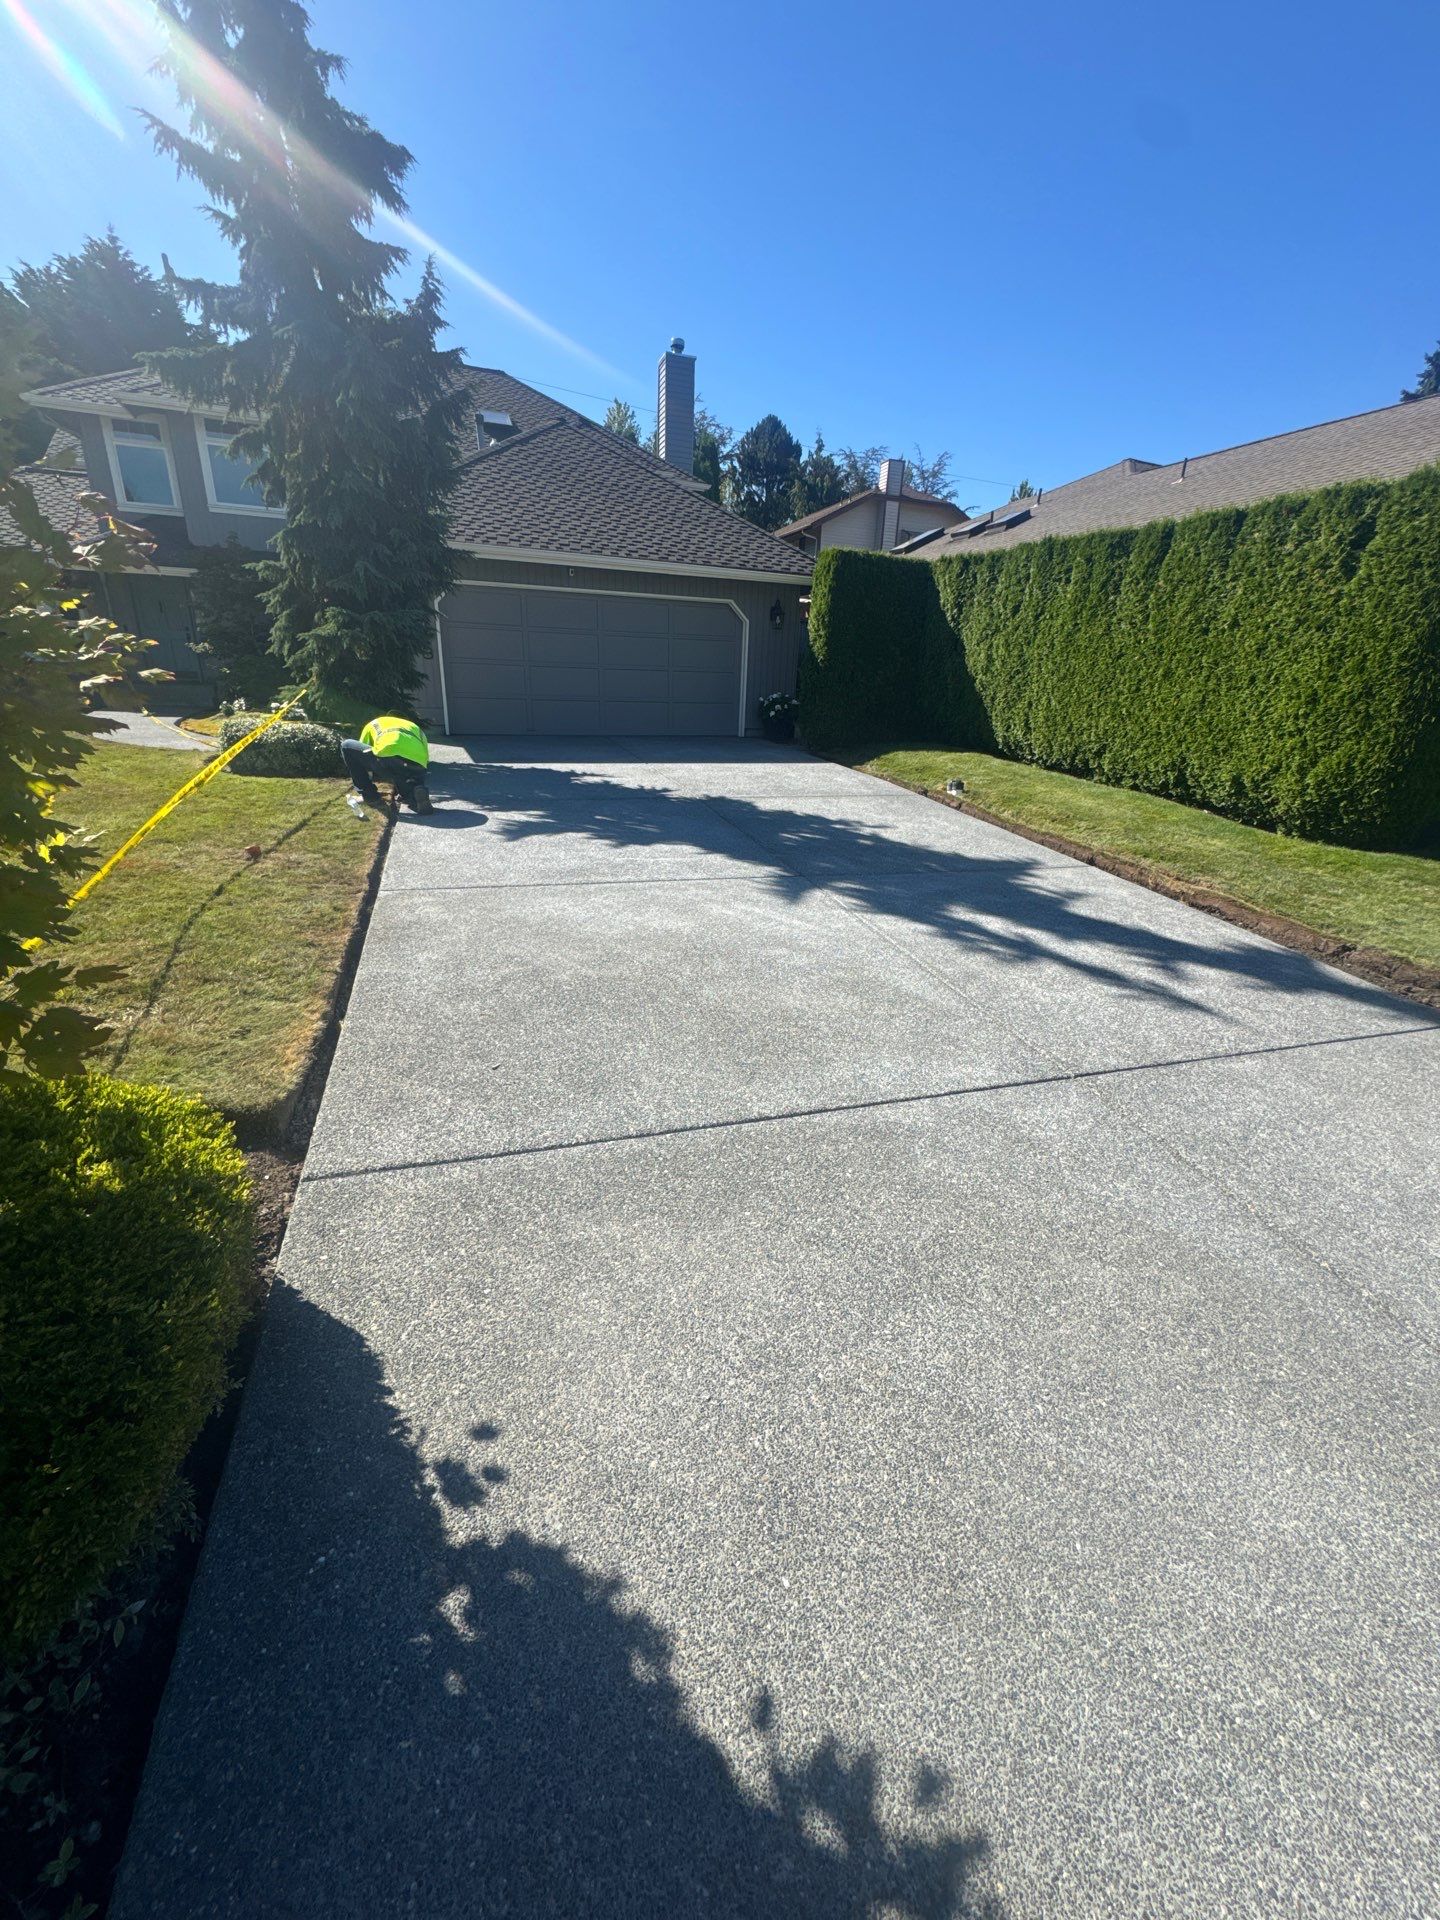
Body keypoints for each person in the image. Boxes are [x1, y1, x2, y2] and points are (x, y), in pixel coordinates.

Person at [341, 714, 434, 813]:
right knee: (405, 783)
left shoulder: (374, 723)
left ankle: (370, 797)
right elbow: (426, 758)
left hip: (389, 759)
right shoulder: (415, 727)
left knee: (346, 745)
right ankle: (415, 794)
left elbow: (362, 756)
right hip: (417, 765)